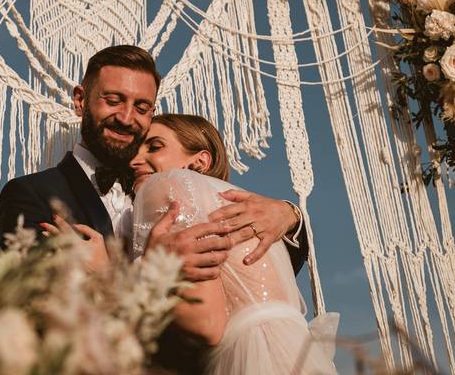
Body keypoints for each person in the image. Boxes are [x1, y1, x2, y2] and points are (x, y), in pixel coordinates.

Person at [0, 45, 308, 280]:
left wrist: (290, 216)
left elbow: (254, 275)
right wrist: (155, 268)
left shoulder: (174, 185)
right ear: (81, 100)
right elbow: (38, 298)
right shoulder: (31, 193)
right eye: (113, 100)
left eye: (141, 106)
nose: (126, 118)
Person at [128, 114, 339, 374]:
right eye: (134, 150)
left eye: (155, 146)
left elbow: (207, 323)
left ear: (200, 161)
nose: (134, 161)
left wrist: (136, 273)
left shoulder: (167, 187)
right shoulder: (245, 209)